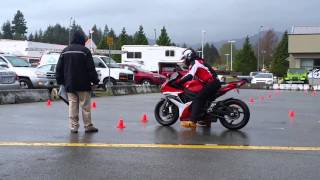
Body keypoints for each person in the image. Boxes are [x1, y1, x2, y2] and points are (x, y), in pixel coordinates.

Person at [56, 31, 100, 133]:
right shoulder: (85, 51)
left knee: (72, 106)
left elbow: (59, 68)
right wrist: (95, 81)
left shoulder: (65, 51)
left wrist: (60, 81)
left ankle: (74, 127)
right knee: (85, 107)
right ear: (81, 39)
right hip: (83, 84)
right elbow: (91, 69)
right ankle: (88, 126)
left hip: (70, 84)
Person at [176, 48, 221, 128]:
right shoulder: (197, 62)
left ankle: (193, 121)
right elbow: (191, 75)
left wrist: (179, 82)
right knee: (203, 100)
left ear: (188, 56)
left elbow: (190, 75)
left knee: (198, 99)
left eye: (185, 58)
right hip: (212, 83)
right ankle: (205, 119)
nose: (185, 61)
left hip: (212, 83)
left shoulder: (195, 62)